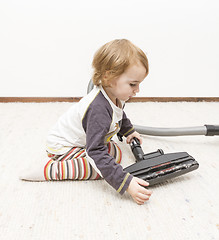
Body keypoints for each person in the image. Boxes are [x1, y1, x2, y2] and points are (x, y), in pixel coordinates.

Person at [21, 39, 152, 205]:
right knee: (100, 167)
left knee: (115, 154)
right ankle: (51, 170)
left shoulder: (116, 95)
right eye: (133, 84)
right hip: (63, 147)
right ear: (109, 77)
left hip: (85, 142)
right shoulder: (98, 109)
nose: (137, 90)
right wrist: (125, 183)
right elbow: (95, 151)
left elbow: (119, 114)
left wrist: (128, 131)